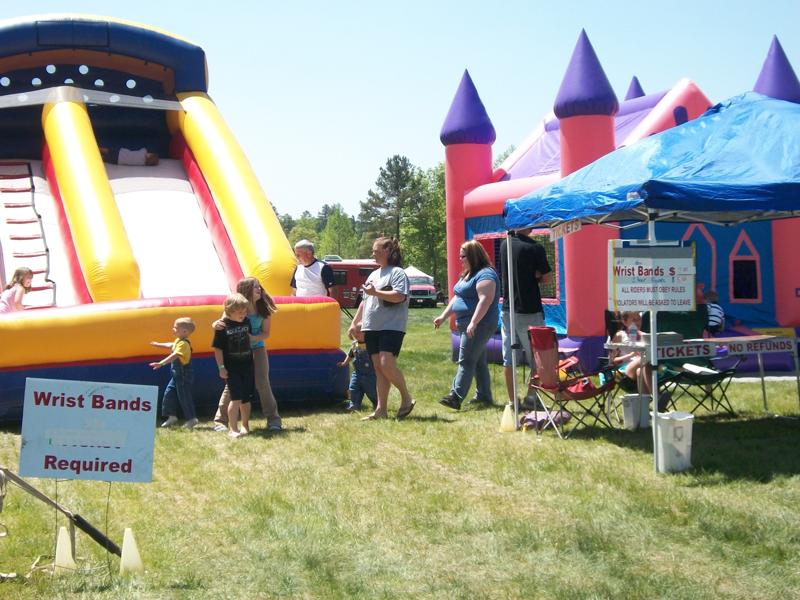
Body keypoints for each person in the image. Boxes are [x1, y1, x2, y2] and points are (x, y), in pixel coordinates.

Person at [348, 236, 415, 420]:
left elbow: (400, 296)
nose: (373, 254)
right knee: (378, 368)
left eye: (376, 251)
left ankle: (406, 398)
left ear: (388, 251)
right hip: (372, 327)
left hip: (391, 326)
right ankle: (381, 410)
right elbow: (365, 301)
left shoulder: (398, 273)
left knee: (387, 364)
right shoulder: (373, 274)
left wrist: (375, 292)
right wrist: (355, 322)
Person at [434, 241, 501, 410]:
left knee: (466, 360)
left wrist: (474, 322)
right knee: (477, 361)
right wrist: (443, 316)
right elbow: (457, 297)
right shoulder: (467, 274)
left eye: (463, 256)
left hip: (480, 325)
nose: (460, 259)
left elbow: (485, 300)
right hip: (467, 324)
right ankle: (484, 396)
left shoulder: (486, 274)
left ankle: (455, 397)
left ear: (473, 256)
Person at [212, 277, 282, 432]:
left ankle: (274, 419)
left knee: (262, 381)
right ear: (246, 290)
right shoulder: (236, 305)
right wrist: (215, 324)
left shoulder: (263, 309)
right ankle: (220, 420)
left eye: (259, 286)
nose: (259, 289)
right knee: (232, 385)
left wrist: (253, 338)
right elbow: (222, 324)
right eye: (255, 287)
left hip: (257, 349)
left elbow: (266, 333)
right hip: (236, 352)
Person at [499, 228, 552, 406]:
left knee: (509, 358)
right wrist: (535, 276)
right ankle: (531, 397)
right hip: (529, 310)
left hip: (507, 309)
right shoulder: (535, 248)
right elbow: (547, 278)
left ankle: (512, 400)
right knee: (539, 356)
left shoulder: (504, 245)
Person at [212, 293, 256, 438]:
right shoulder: (222, 326)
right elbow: (218, 349)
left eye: (244, 311)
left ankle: (245, 425)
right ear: (229, 311)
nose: (243, 314)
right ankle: (233, 429)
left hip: (247, 366)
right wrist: (221, 368)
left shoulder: (247, 322)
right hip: (232, 368)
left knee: (246, 399)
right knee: (236, 398)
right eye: (239, 312)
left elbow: (248, 340)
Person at [150, 317, 198, 429]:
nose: (173, 329)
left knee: (184, 397)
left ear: (184, 331)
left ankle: (192, 419)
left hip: (183, 375)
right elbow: (170, 345)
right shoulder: (178, 341)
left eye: (176, 328)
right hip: (177, 375)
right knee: (169, 393)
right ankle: (171, 416)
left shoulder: (184, 344)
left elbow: (175, 355)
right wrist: (158, 344)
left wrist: (161, 363)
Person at [337, 322, 377, 412]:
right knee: (353, 388)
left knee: (372, 391)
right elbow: (351, 355)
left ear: (367, 333)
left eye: (359, 332)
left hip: (370, 374)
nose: (356, 334)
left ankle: (377, 403)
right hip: (357, 373)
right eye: (355, 332)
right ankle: (354, 404)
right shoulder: (355, 345)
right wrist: (344, 363)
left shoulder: (371, 344)